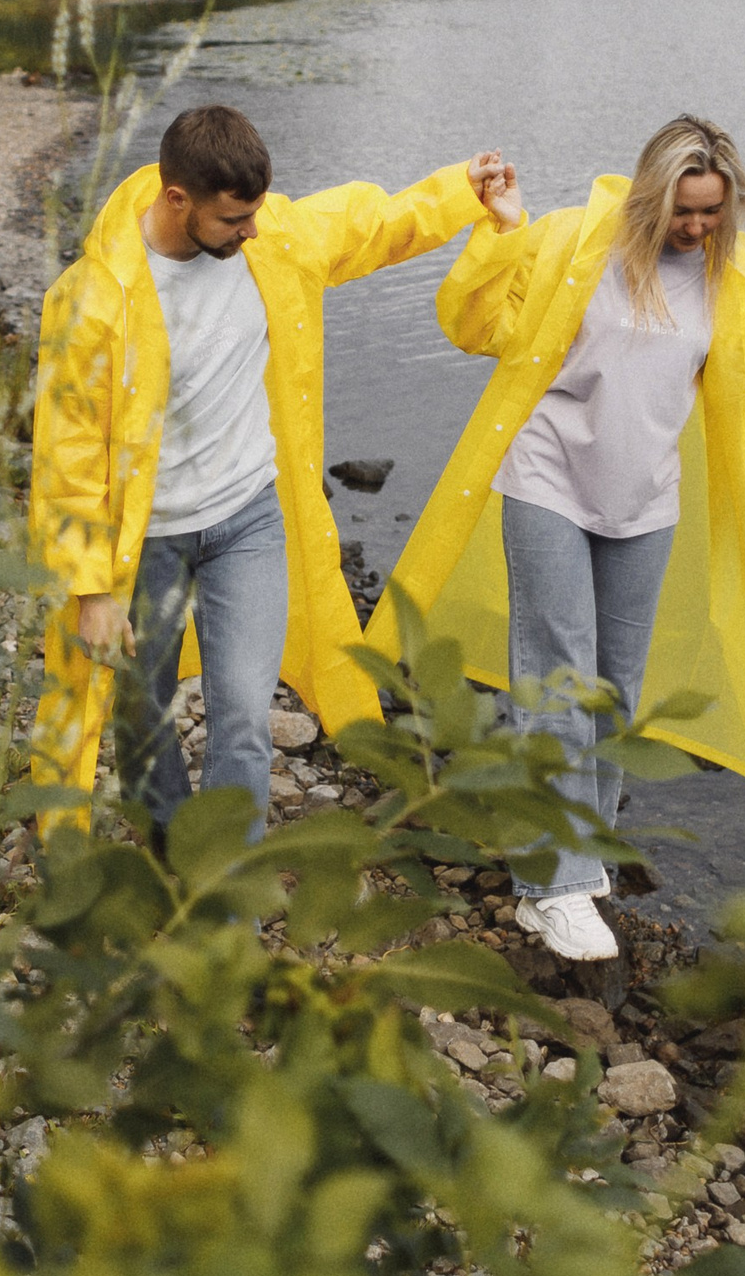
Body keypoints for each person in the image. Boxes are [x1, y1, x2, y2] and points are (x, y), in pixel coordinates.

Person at [371, 116, 745, 960]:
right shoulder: (574, 244)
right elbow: (475, 324)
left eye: (712, 213)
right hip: (547, 475)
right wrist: (506, 234)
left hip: (646, 499)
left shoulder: (730, 275)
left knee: (617, 690)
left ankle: (581, 851)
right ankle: (551, 886)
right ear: (652, 192)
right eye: (685, 210)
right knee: (555, 671)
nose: (697, 228)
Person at [29, 104, 513, 842]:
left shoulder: (271, 240)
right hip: (146, 538)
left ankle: (226, 886)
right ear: (177, 199)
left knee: (244, 717)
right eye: (234, 220)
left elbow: (369, 223)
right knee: (143, 711)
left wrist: (462, 191)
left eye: (256, 213)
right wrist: (92, 590)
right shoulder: (92, 300)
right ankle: (168, 850)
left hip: (249, 519)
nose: (251, 230)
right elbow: (64, 457)